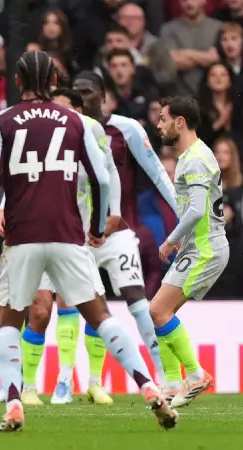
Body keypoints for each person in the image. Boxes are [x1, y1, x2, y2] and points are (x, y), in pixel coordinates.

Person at [0, 51, 177, 432]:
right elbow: (103, 178)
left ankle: (13, 400)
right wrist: (94, 225)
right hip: (68, 235)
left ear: (18, 81)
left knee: (10, 323)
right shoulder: (75, 120)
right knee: (102, 317)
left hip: (21, 237)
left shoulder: (1, 121)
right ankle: (149, 387)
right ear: (56, 81)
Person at [47, 70, 176, 403]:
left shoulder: (126, 128)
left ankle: (161, 375)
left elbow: (157, 173)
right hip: (75, 235)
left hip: (117, 231)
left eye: (88, 91)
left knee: (137, 299)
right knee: (76, 302)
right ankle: (67, 380)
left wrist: (183, 217)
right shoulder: (60, 130)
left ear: (103, 95)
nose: (81, 98)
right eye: (76, 92)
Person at [0, 87, 123, 406]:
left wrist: (112, 213)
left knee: (89, 308)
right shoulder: (42, 138)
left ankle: (83, 381)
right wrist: (3, 207)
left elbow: (108, 174)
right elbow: (24, 175)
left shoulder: (88, 134)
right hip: (37, 233)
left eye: (63, 109)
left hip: (76, 236)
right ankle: (28, 386)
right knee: (38, 310)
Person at [152, 96, 228, 408]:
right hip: (196, 247)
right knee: (158, 312)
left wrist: (170, 240)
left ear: (179, 122)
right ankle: (172, 383)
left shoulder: (196, 158)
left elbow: (197, 209)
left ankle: (196, 375)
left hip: (206, 249)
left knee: (158, 310)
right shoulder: (190, 155)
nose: (159, 125)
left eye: (163, 119)